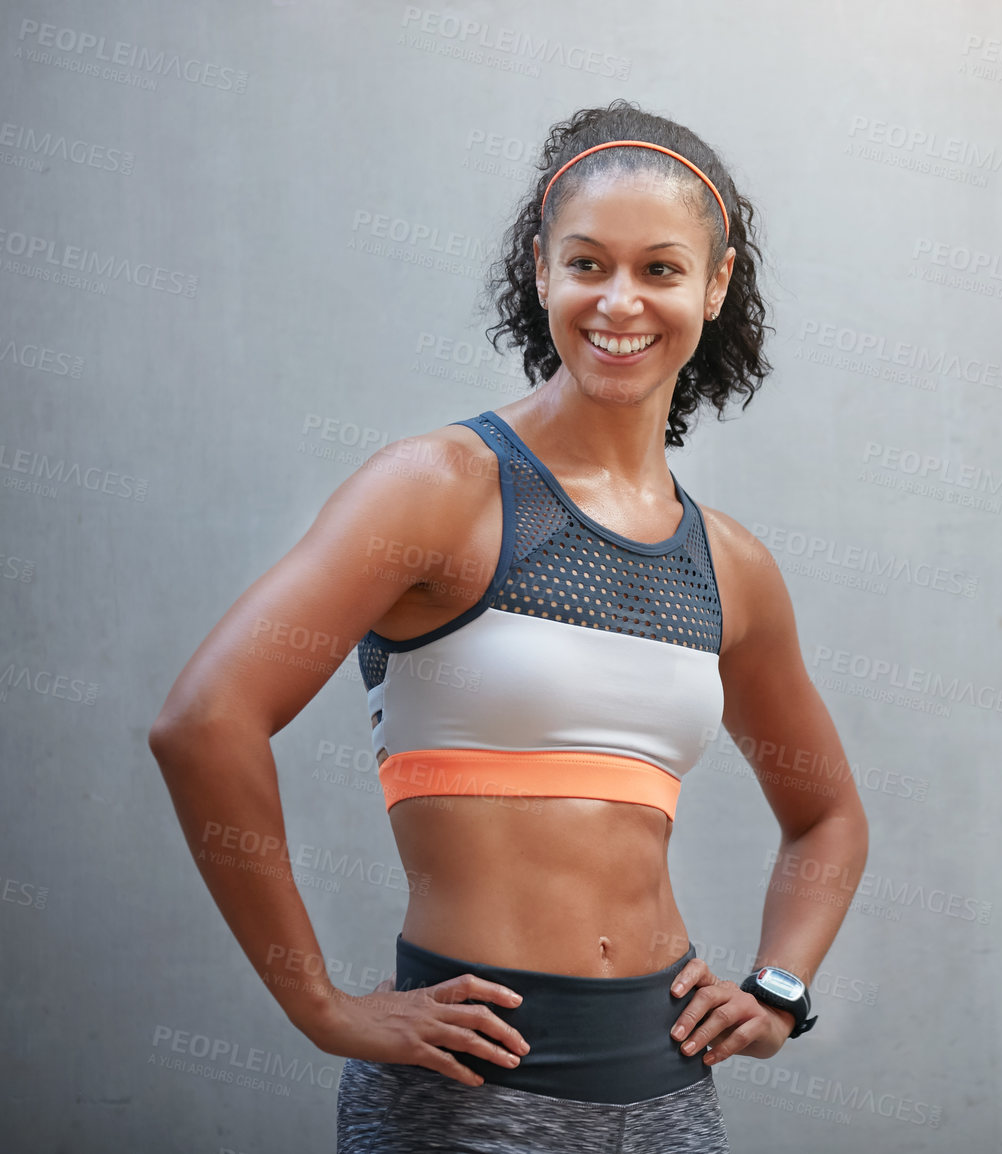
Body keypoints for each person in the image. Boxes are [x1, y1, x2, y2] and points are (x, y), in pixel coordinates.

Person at [149, 100, 870, 1153]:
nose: (619, 299)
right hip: (471, 1096)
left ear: (714, 286)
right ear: (541, 271)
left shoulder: (732, 567)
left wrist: (778, 989)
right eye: (588, 262)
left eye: (661, 269)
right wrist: (321, 1005)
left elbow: (828, 817)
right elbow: (205, 720)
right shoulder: (439, 491)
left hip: (668, 1092)